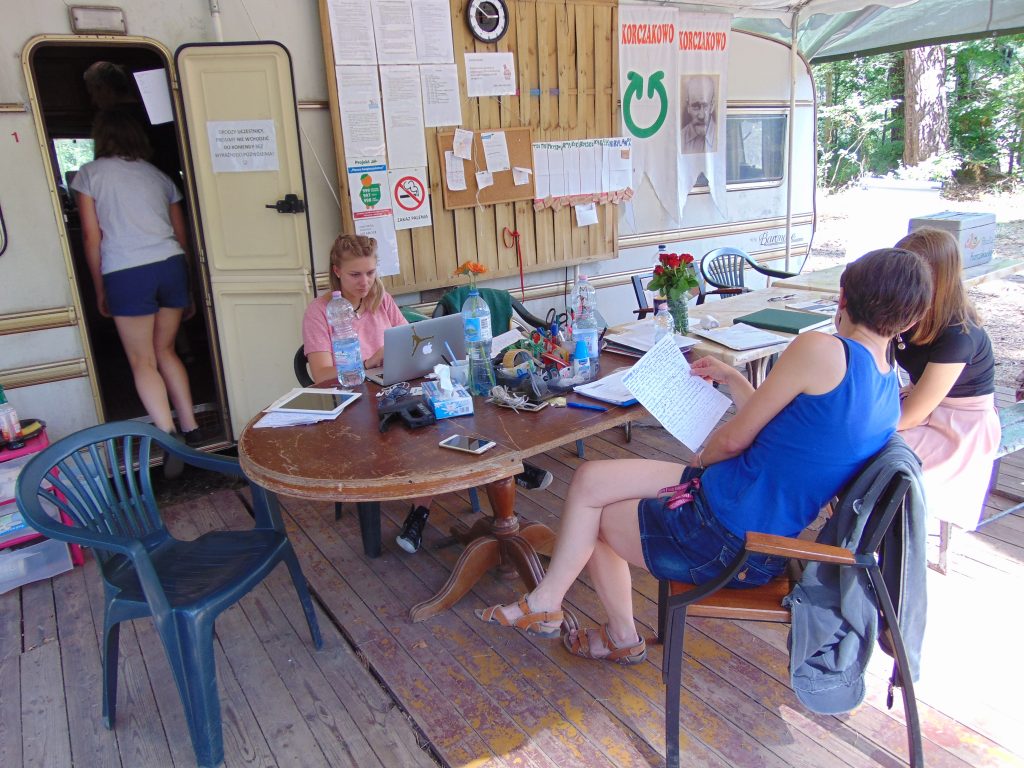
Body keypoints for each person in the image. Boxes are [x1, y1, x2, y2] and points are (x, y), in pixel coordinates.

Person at [475, 248, 932, 664]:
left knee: (594, 517)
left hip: (726, 537)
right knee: (591, 479)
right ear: (909, 321)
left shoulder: (823, 349)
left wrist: (701, 459)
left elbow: (733, 441)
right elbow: (787, 431)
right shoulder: (887, 386)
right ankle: (548, 606)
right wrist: (734, 379)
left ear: (843, 296)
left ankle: (608, 631)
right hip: (750, 520)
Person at [302, 234, 552, 554]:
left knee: (456, 410)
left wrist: (401, 358)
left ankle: (494, 472)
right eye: (355, 274)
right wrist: (367, 363)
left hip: (395, 387)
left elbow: (411, 339)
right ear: (336, 271)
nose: (365, 282)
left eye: (371, 272)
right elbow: (321, 374)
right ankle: (506, 470)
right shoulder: (320, 311)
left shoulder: (380, 298)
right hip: (355, 400)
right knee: (429, 428)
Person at [71, 109, 201, 477]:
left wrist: (100, 288)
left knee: (142, 360)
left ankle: (168, 435)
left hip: (127, 271)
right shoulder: (159, 177)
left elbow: (92, 237)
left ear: (101, 137)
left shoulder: (89, 175)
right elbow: (182, 236)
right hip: (170, 265)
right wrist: (188, 286)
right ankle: (192, 428)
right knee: (166, 350)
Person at [893, 228, 1001, 531]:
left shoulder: (958, 335)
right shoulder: (911, 313)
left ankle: (870, 535)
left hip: (959, 427)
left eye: (907, 271)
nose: (897, 277)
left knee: (872, 457)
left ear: (936, 277)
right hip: (920, 406)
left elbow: (911, 416)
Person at [681, 75, 717, 154]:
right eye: (695, 107)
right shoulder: (680, 138)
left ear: (712, 106)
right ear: (688, 106)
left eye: (705, 106)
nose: (701, 116)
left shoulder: (721, 137)